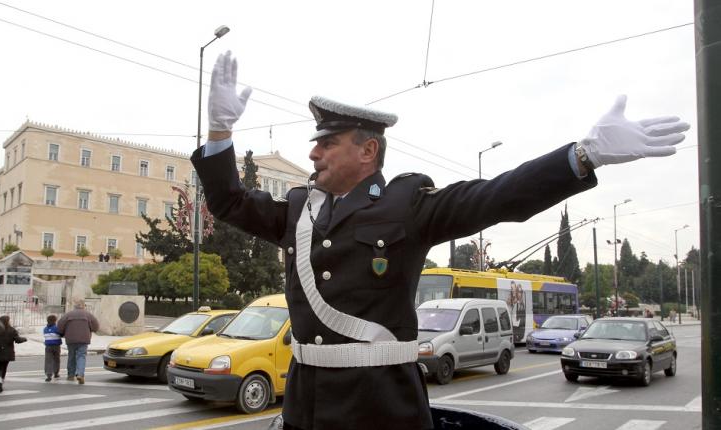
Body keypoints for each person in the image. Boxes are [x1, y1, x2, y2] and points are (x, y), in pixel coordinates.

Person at [193, 51, 689, 429]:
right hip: (306, 408)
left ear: (368, 151)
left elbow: (497, 197)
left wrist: (584, 156)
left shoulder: (407, 205)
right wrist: (220, 131)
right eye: (316, 142)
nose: (314, 152)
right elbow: (229, 202)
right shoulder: (299, 210)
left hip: (382, 410)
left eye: (327, 142)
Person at [57, 299, 99, 384]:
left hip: (71, 339)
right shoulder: (88, 315)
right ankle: (80, 374)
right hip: (83, 339)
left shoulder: (68, 315)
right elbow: (96, 326)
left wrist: (61, 334)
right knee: (81, 356)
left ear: (74, 306)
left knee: (71, 356)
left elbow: (60, 325)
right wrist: (91, 329)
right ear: (83, 306)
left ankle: (70, 375)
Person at [0, 315, 27, 392]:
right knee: (4, 367)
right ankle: (2, 380)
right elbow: (18, 340)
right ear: (8, 321)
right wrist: (24, 339)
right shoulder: (12, 330)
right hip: (8, 352)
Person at [43, 314, 62, 381]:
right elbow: (61, 333)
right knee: (56, 359)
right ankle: (56, 372)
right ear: (55, 321)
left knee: (48, 360)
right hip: (56, 346)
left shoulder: (45, 329)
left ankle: (48, 374)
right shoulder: (56, 328)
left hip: (48, 346)